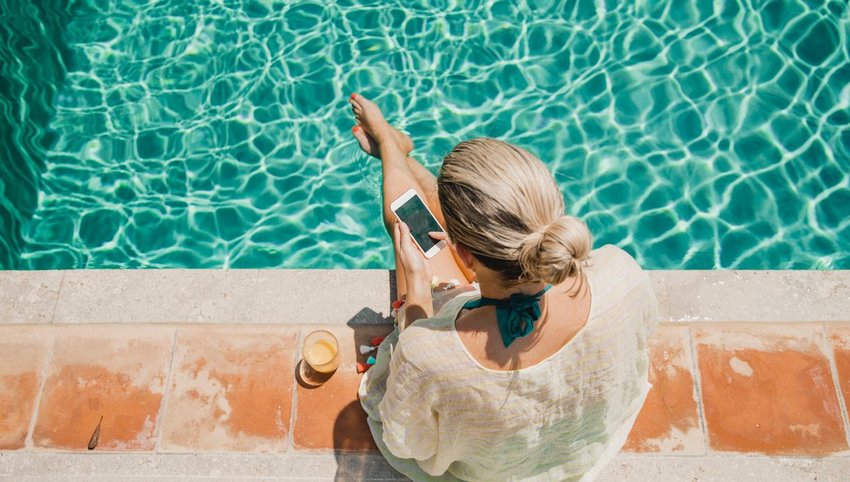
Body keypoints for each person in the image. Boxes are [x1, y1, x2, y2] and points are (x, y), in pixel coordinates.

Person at [351, 93, 659, 481]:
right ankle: (396, 149)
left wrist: (417, 292)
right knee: (429, 217)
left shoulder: (428, 355)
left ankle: (391, 147)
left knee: (412, 231)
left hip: (489, 472)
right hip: (585, 449)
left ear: (463, 255)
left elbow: (407, 441)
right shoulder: (620, 274)